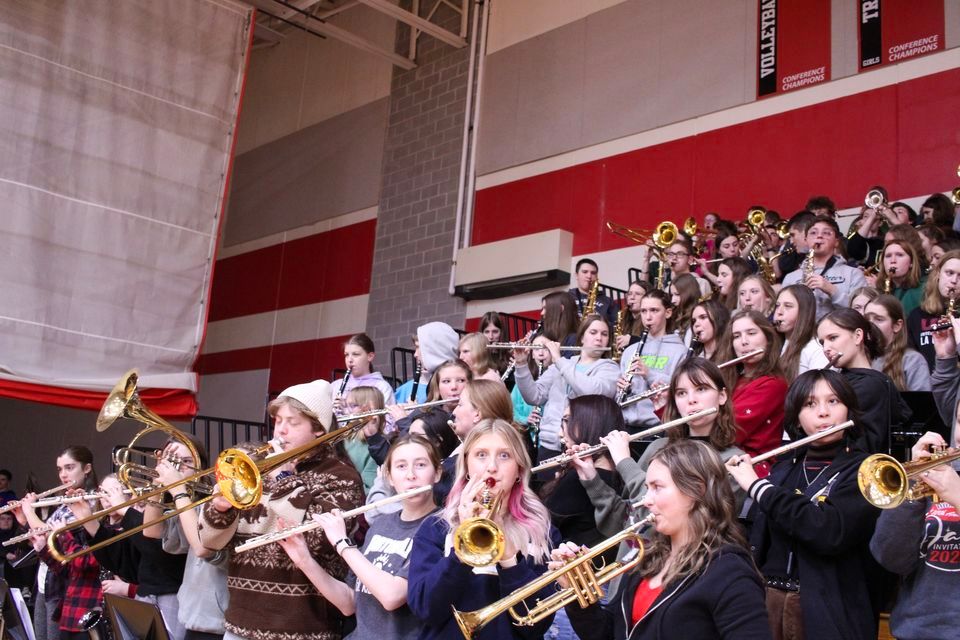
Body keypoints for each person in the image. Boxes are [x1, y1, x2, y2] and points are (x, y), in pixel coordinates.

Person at [554, 440, 771, 640]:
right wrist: (578, 593)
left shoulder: (730, 573)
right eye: (647, 488)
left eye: (657, 487)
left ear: (697, 489)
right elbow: (609, 634)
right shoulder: (646, 557)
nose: (646, 501)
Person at [199, 380, 365, 640]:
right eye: (278, 421)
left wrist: (283, 479)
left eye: (293, 422)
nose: (281, 431)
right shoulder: (254, 470)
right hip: (239, 622)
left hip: (303, 628)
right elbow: (210, 542)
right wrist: (220, 509)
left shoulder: (342, 477)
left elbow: (317, 540)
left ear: (318, 429)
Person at [726, 369, 885, 640]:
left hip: (829, 612)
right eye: (810, 404)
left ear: (849, 409)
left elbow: (827, 531)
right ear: (797, 417)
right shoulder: (784, 468)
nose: (823, 413)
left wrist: (757, 487)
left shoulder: (867, 469)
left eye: (833, 401)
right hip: (769, 603)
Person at [276, 434, 442, 640]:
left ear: (437, 473)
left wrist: (342, 543)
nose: (410, 475)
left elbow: (391, 596)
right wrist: (304, 560)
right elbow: (349, 603)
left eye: (420, 465)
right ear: (388, 477)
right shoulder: (381, 525)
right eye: (400, 466)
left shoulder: (439, 528)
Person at [407, 419, 558, 639]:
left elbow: (535, 626)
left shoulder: (542, 533)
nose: (492, 467)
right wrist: (463, 550)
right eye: (481, 455)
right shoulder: (436, 528)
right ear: (467, 466)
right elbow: (425, 609)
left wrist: (508, 557)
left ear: (519, 470)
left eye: (504, 455)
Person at [581, 357, 747, 539]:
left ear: (721, 396)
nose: (691, 400)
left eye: (701, 389)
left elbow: (691, 524)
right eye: (682, 393)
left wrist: (625, 463)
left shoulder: (733, 461)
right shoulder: (658, 448)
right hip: (635, 559)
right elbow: (626, 521)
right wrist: (591, 478)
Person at [869, 430, 960, 640]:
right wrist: (911, 486)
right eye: (959, 421)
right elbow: (889, 559)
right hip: (917, 630)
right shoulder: (941, 477)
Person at [145, 445, 228, 640]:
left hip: (218, 623)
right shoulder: (191, 507)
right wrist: (158, 485)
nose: (177, 467)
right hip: (191, 616)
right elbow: (151, 530)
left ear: (201, 466)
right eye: (172, 461)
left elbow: (202, 547)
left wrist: (178, 490)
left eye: (187, 461)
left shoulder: (219, 506)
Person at [19, 446, 101, 640]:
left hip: (62, 586)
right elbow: (43, 540)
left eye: (69, 467)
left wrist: (30, 513)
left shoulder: (90, 501)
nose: (63, 474)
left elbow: (57, 537)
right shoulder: (65, 499)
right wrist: (24, 522)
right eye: (60, 469)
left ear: (87, 468)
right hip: (44, 581)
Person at [513, 314, 620, 463]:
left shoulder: (609, 368)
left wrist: (558, 360)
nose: (599, 338)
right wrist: (521, 364)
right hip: (549, 444)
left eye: (604, 334)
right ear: (582, 337)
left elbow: (592, 391)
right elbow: (534, 396)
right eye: (593, 332)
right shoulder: (563, 364)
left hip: (583, 446)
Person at [817, 308, 910, 453]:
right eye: (822, 342)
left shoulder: (871, 385)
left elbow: (860, 445)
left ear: (858, 336)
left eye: (833, 338)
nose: (826, 348)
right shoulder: (839, 380)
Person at [718, 311, 787, 469]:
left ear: (768, 340)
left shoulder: (773, 385)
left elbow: (729, 434)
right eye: (736, 336)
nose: (743, 341)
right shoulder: (732, 380)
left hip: (748, 467)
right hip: (721, 457)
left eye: (751, 333)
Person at [617, 291, 686, 433]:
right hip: (627, 425)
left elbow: (681, 388)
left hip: (659, 425)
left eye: (654, 310)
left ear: (667, 313)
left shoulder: (680, 351)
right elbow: (618, 394)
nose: (648, 317)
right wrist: (623, 388)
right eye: (644, 311)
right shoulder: (630, 351)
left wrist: (649, 374)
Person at [781, 216, 866, 320]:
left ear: (836, 242)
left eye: (826, 233)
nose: (819, 236)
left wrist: (832, 290)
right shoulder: (790, 278)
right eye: (813, 233)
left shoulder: (854, 274)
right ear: (806, 240)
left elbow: (861, 313)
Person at [907, 249, 960, 371]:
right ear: (938, 275)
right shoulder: (917, 315)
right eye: (949, 273)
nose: (954, 281)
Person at [865, 296, 931, 392]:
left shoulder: (911, 360)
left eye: (879, 319)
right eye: (866, 319)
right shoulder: (860, 358)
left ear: (897, 325)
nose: (870, 325)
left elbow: (920, 404)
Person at [773, 285, 829, 380]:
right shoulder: (774, 344)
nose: (779, 311)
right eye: (777, 305)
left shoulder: (816, 349)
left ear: (804, 311)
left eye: (788, 306)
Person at [394, 322, 460, 404]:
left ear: (434, 350)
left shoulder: (461, 388)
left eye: (418, 347)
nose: (415, 354)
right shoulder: (406, 389)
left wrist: (414, 414)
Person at [339, 386, 386, 491]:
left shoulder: (375, 447)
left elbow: (369, 488)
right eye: (346, 406)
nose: (347, 412)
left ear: (370, 409)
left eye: (353, 406)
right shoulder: (344, 438)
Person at [872, 240, 926, 317]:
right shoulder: (879, 291)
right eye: (888, 256)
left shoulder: (923, 289)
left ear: (911, 262)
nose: (893, 260)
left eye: (899, 255)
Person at [568, 258, 618, 326]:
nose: (589, 276)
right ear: (576, 275)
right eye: (585, 272)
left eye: (593, 273)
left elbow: (615, 326)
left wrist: (598, 320)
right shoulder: (566, 297)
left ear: (596, 276)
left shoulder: (608, 301)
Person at [669, 273, 701, 345]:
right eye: (672, 295)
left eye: (677, 294)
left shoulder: (695, 320)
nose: (672, 300)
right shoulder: (675, 316)